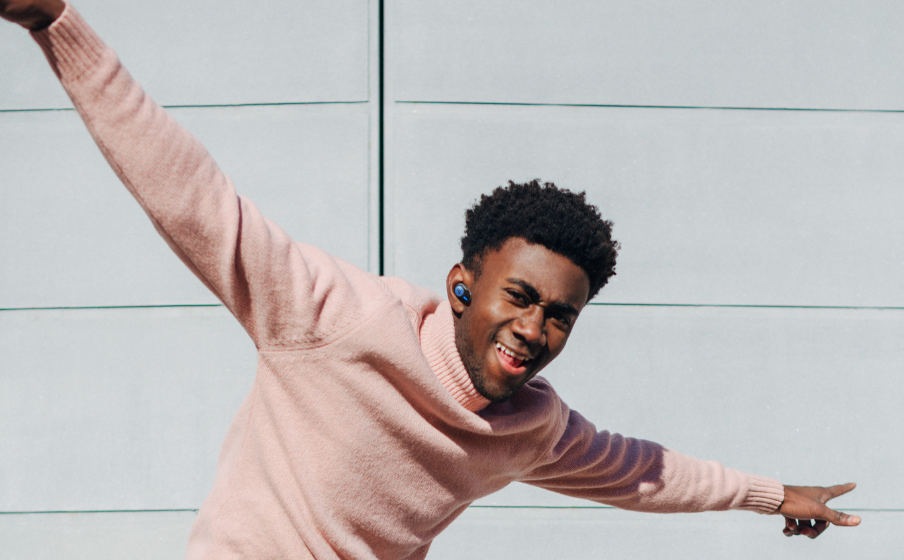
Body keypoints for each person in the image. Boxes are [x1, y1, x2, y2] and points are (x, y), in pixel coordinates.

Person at [1, 1, 861, 558]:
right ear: (461, 286)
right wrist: (55, 23)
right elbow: (189, 194)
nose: (534, 330)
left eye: (560, 315)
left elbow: (644, 472)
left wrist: (769, 495)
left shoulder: (533, 427)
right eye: (518, 297)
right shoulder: (326, 315)